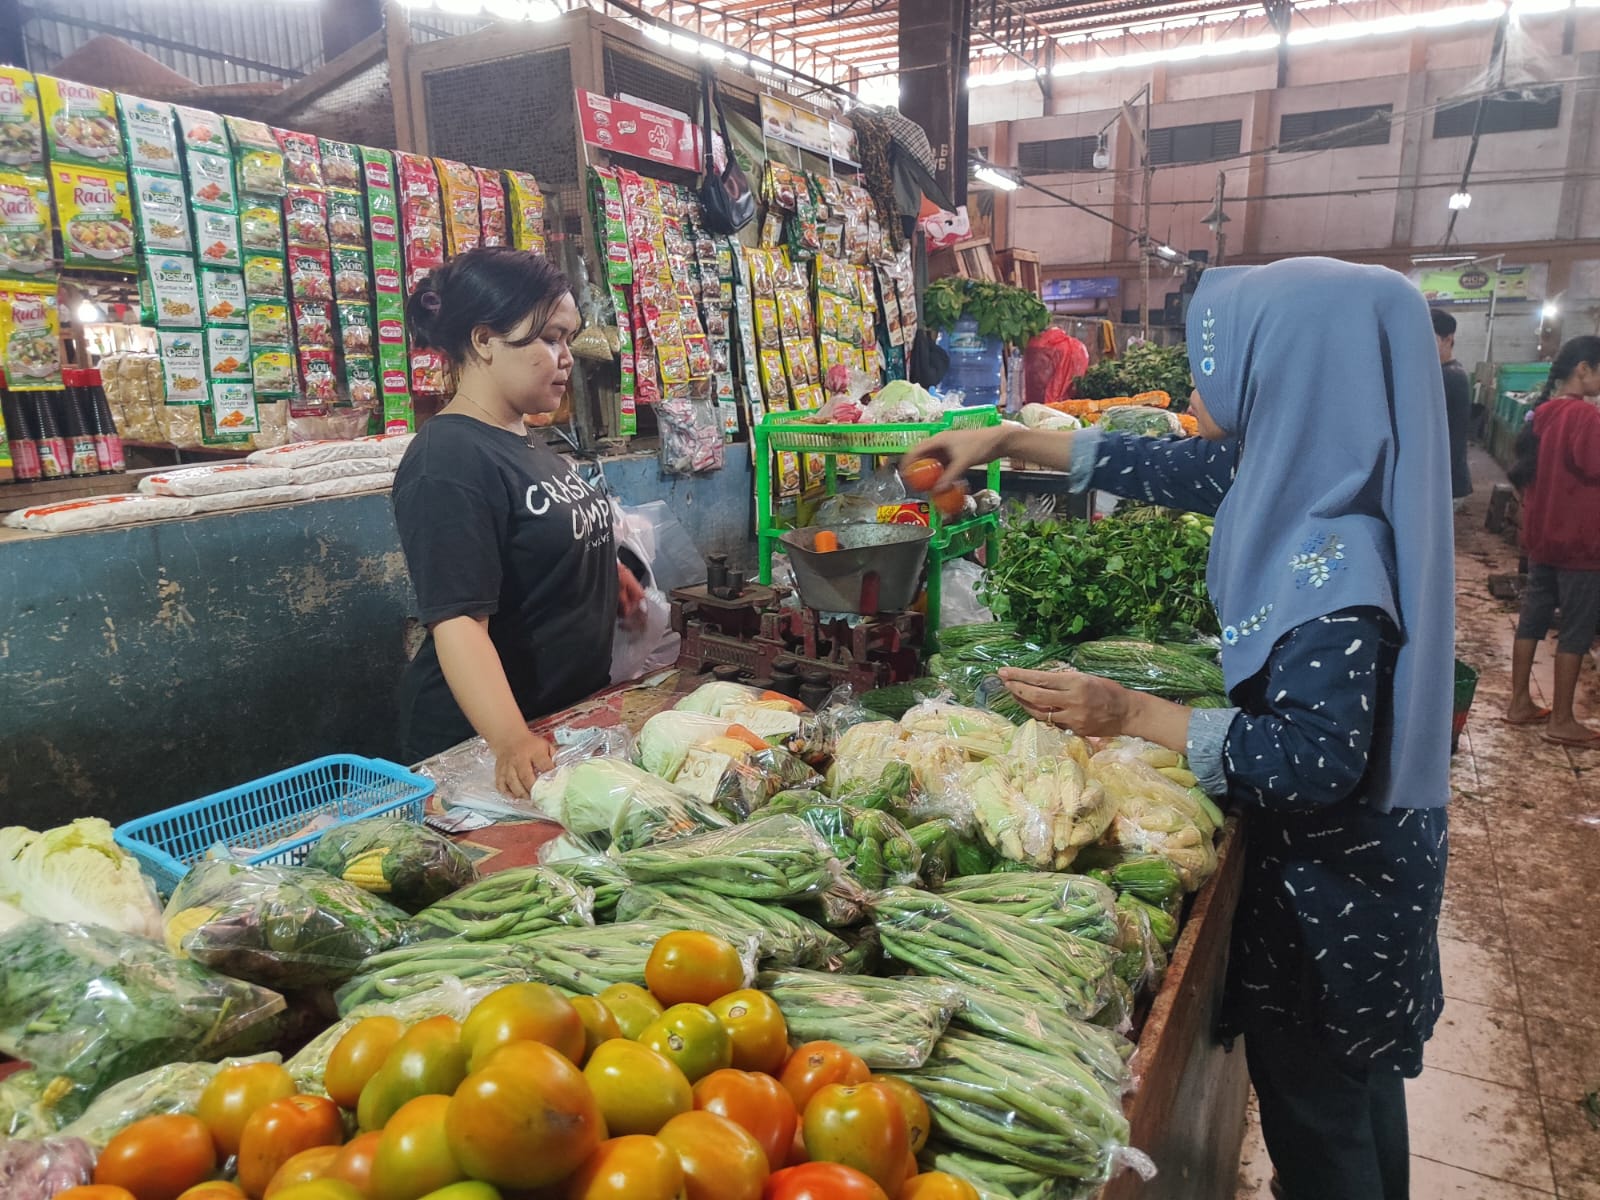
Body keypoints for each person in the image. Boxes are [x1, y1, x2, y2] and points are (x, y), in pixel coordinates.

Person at [907, 257, 1454, 1200]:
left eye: (1221, 354)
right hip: (1357, 884)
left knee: (1321, 1121)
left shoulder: (1337, 564)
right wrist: (1002, 437)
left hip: (1337, 905)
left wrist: (1131, 712)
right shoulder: (1320, 473)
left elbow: (1312, 761)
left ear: (1287, 366)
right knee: (1357, 1097)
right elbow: (1175, 464)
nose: (1204, 382)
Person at [392, 247, 644, 794]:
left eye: (569, 339)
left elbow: (529, 544)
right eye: (549, 338)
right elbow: (457, 620)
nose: (566, 356)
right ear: (484, 341)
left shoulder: (526, 440)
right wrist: (509, 739)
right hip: (479, 747)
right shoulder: (448, 459)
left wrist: (598, 573)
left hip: (555, 721)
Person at [1503, 335, 1600, 746]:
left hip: (1541, 539)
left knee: (1533, 620)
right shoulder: (1585, 418)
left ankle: (1520, 702)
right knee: (1576, 631)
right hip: (1579, 544)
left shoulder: (1541, 413)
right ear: (1583, 369)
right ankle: (1562, 719)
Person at [1432, 309, 1473, 510]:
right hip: (1444, 480)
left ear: (1448, 339)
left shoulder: (1449, 377)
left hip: (1444, 482)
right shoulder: (1445, 373)